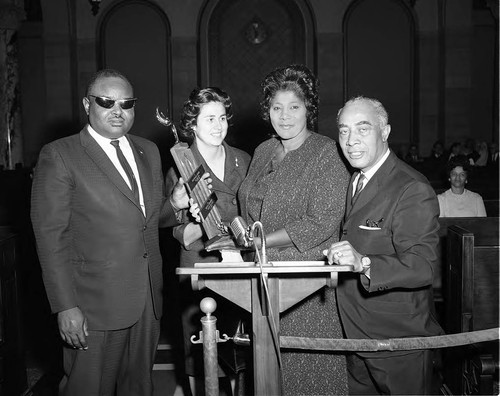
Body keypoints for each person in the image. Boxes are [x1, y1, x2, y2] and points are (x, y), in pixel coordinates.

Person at [30, 68, 191, 396]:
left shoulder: (148, 150)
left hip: (146, 298)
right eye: (107, 101)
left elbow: (144, 220)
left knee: (139, 387)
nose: (118, 111)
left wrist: (173, 206)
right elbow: (51, 237)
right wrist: (65, 306)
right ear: (87, 105)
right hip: (93, 305)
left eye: (127, 103)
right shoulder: (60, 155)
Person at [237, 64, 350, 395]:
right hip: (260, 278)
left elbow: (323, 220)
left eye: (294, 107)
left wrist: (261, 241)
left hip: (306, 285)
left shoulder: (326, 152)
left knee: (306, 376)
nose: (284, 116)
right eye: (276, 107)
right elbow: (247, 203)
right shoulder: (262, 151)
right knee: (265, 376)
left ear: (308, 110)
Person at [325, 96, 443, 395]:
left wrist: (364, 263)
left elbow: (424, 266)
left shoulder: (410, 187)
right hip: (355, 333)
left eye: (362, 129)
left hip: (397, 342)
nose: (351, 141)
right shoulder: (356, 178)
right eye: (343, 130)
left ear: (385, 132)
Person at [165, 87, 251, 395]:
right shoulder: (181, 165)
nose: (218, 125)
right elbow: (179, 231)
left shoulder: (243, 159)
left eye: (223, 117)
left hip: (239, 263)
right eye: (210, 118)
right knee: (199, 349)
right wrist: (198, 215)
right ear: (192, 124)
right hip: (201, 264)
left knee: (236, 346)